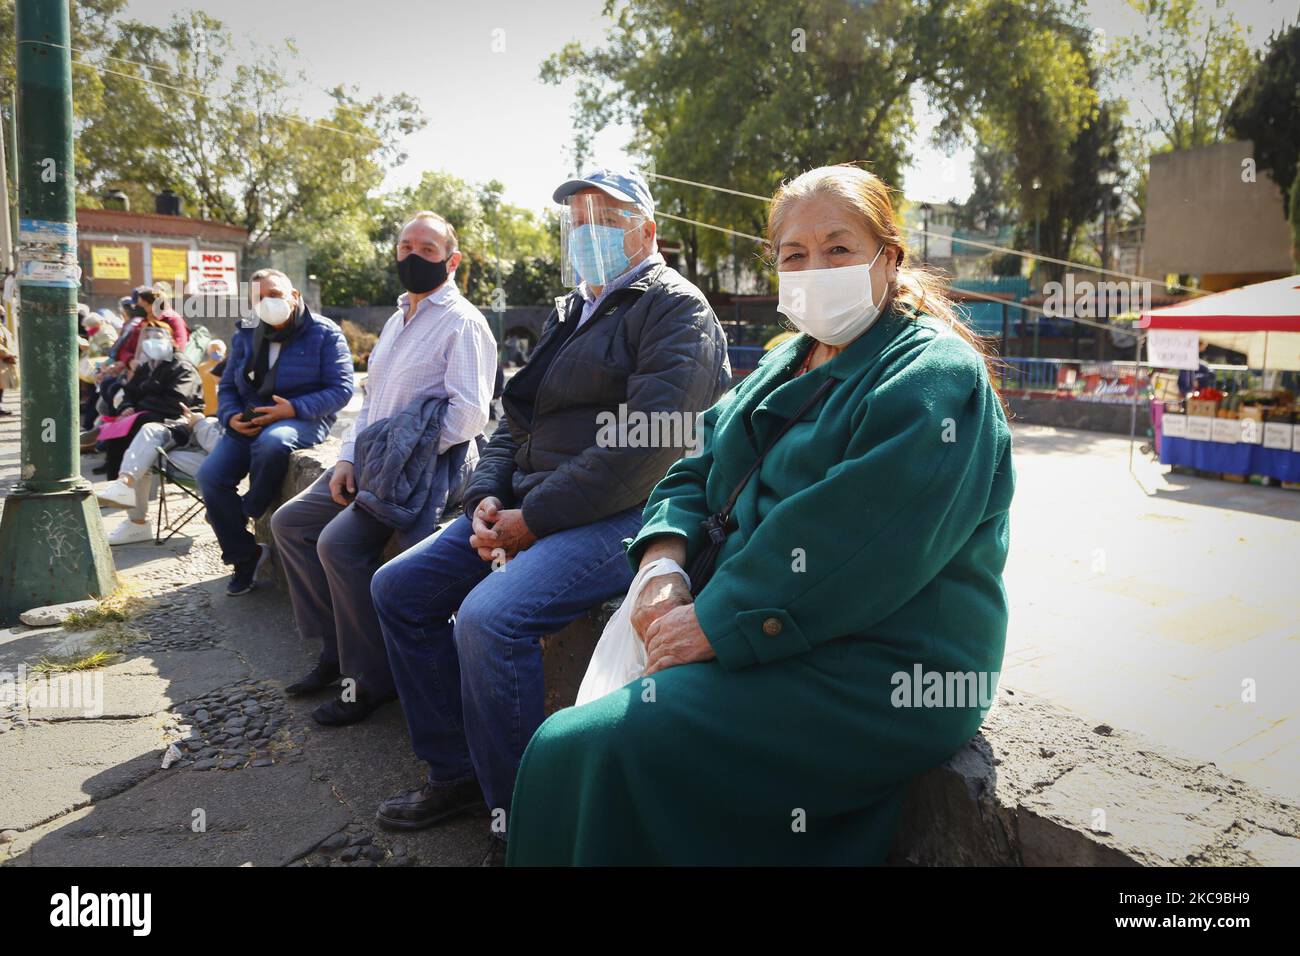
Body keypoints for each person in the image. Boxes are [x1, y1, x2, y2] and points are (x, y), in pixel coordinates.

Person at [505, 164, 1016, 866]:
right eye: (794, 254)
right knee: (572, 752)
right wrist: (660, 562)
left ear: (888, 257)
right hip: (755, 626)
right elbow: (692, 466)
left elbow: (857, 542)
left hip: (878, 662)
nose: (815, 267)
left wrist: (715, 623)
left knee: (585, 749)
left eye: (838, 248)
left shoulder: (932, 375)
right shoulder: (788, 360)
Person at [368, 168, 731, 862]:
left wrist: (533, 519)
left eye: (605, 220)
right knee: (398, 589)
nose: (586, 234)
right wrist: (486, 496)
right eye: (576, 222)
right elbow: (513, 420)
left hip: (625, 513)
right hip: (529, 504)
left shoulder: (675, 310)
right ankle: (458, 773)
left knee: (489, 618)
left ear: (647, 232)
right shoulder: (575, 309)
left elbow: (645, 451)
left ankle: (525, 817)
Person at [271, 211, 497, 726]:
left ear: (452, 260)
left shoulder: (463, 322)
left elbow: (470, 414)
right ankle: (337, 651)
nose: (413, 256)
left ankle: (370, 681)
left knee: (338, 543)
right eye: (405, 247)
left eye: (428, 249)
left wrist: (405, 453)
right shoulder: (397, 320)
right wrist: (349, 458)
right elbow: (372, 405)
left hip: (426, 472)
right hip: (376, 463)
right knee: (290, 525)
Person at [198, 269, 353, 597]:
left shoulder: (325, 333)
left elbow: (341, 389)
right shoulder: (245, 333)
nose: (267, 303)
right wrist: (230, 417)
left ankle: (247, 510)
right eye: (258, 299)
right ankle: (245, 557)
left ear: (294, 295)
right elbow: (226, 386)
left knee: (274, 443)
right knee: (210, 476)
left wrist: (292, 409)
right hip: (250, 421)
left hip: (303, 418)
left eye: (274, 294)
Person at [95, 406, 223, 545]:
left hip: (215, 465)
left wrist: (199, 423)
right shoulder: (230, 392)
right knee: (149, 430)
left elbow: (222, 449)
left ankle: (136, 521)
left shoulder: (241, 396)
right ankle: (123, 485)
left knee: (144, 454)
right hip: (195, 444)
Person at [98, 318, 203, 480]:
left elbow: (176, 402)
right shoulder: (149, 366)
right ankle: (115, 484)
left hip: (177, 420)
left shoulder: (182, 366)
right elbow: (129, 391)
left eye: (158, 337)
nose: (151, 342)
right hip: (146, 413)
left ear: (170, 340)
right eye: (147, 338)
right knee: (118, 430)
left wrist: (137, 409)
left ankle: (126, 482)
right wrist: (127, 407)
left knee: (139, 423)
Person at [196, 339, 226, 416]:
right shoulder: (201, 368)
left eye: (219, 350)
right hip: (206, 410)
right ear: (208, 352)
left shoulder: (228, 367)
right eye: (214, 350)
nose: (216, 352)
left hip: (223, 409)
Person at [0, 304, 16, 417]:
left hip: (5, 362)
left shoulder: (2, 327)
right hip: (3, 359)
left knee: (1, 388)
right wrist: (7, 354)